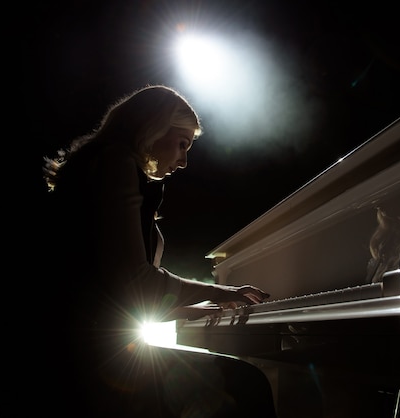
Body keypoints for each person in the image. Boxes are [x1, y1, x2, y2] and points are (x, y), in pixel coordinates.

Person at [36, 85, 276, 418]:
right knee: (245, 384)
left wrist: (187, 307)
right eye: (182, 144)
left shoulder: (102, 164)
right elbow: (134, 283)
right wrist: (223, 291)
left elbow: (109, 295)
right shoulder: (114, 163)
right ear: (154, 128)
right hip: (80, 365)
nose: (184, 161)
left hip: (80, 352)